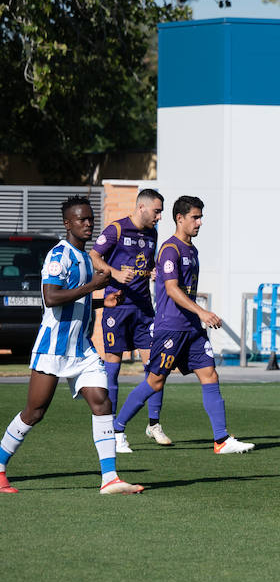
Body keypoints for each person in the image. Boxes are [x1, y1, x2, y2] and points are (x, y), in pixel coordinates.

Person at [1, 196, 143, 494]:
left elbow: (77, 299)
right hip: (53, 348)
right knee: (34, 413)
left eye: (91, 218)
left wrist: (103, 301)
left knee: (102, 402)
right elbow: (51, 298)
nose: (89, 224)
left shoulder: (86, 257)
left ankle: (110, 478)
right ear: (68, 224)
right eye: (82, 219)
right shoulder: (58, 256)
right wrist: (94, 287)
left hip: (83, 350)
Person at [112, 195, 252, 454]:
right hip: (171, 328)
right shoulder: (170, 249)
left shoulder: (192, 250)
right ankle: (117, 431)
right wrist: (202, 312)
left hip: (192, 330)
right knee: (155, 382)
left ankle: (221, 440)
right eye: (195, 217)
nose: (199, 222)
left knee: (210, 375)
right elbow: (172, 289)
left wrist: (197, 317)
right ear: (180, 218)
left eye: (200, 217)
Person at [90, 187, 171, 452]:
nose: (159, 216)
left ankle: (154, 423)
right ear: (141, 207)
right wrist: (113, 272)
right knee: (113, 366)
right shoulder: (116, 229)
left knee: (156, 367)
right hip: (118, 306)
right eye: (157, 211)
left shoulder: (152, 233)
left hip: (144, 309)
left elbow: (144, 264)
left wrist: (153, 272)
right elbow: (93, 256)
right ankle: (113, 431)